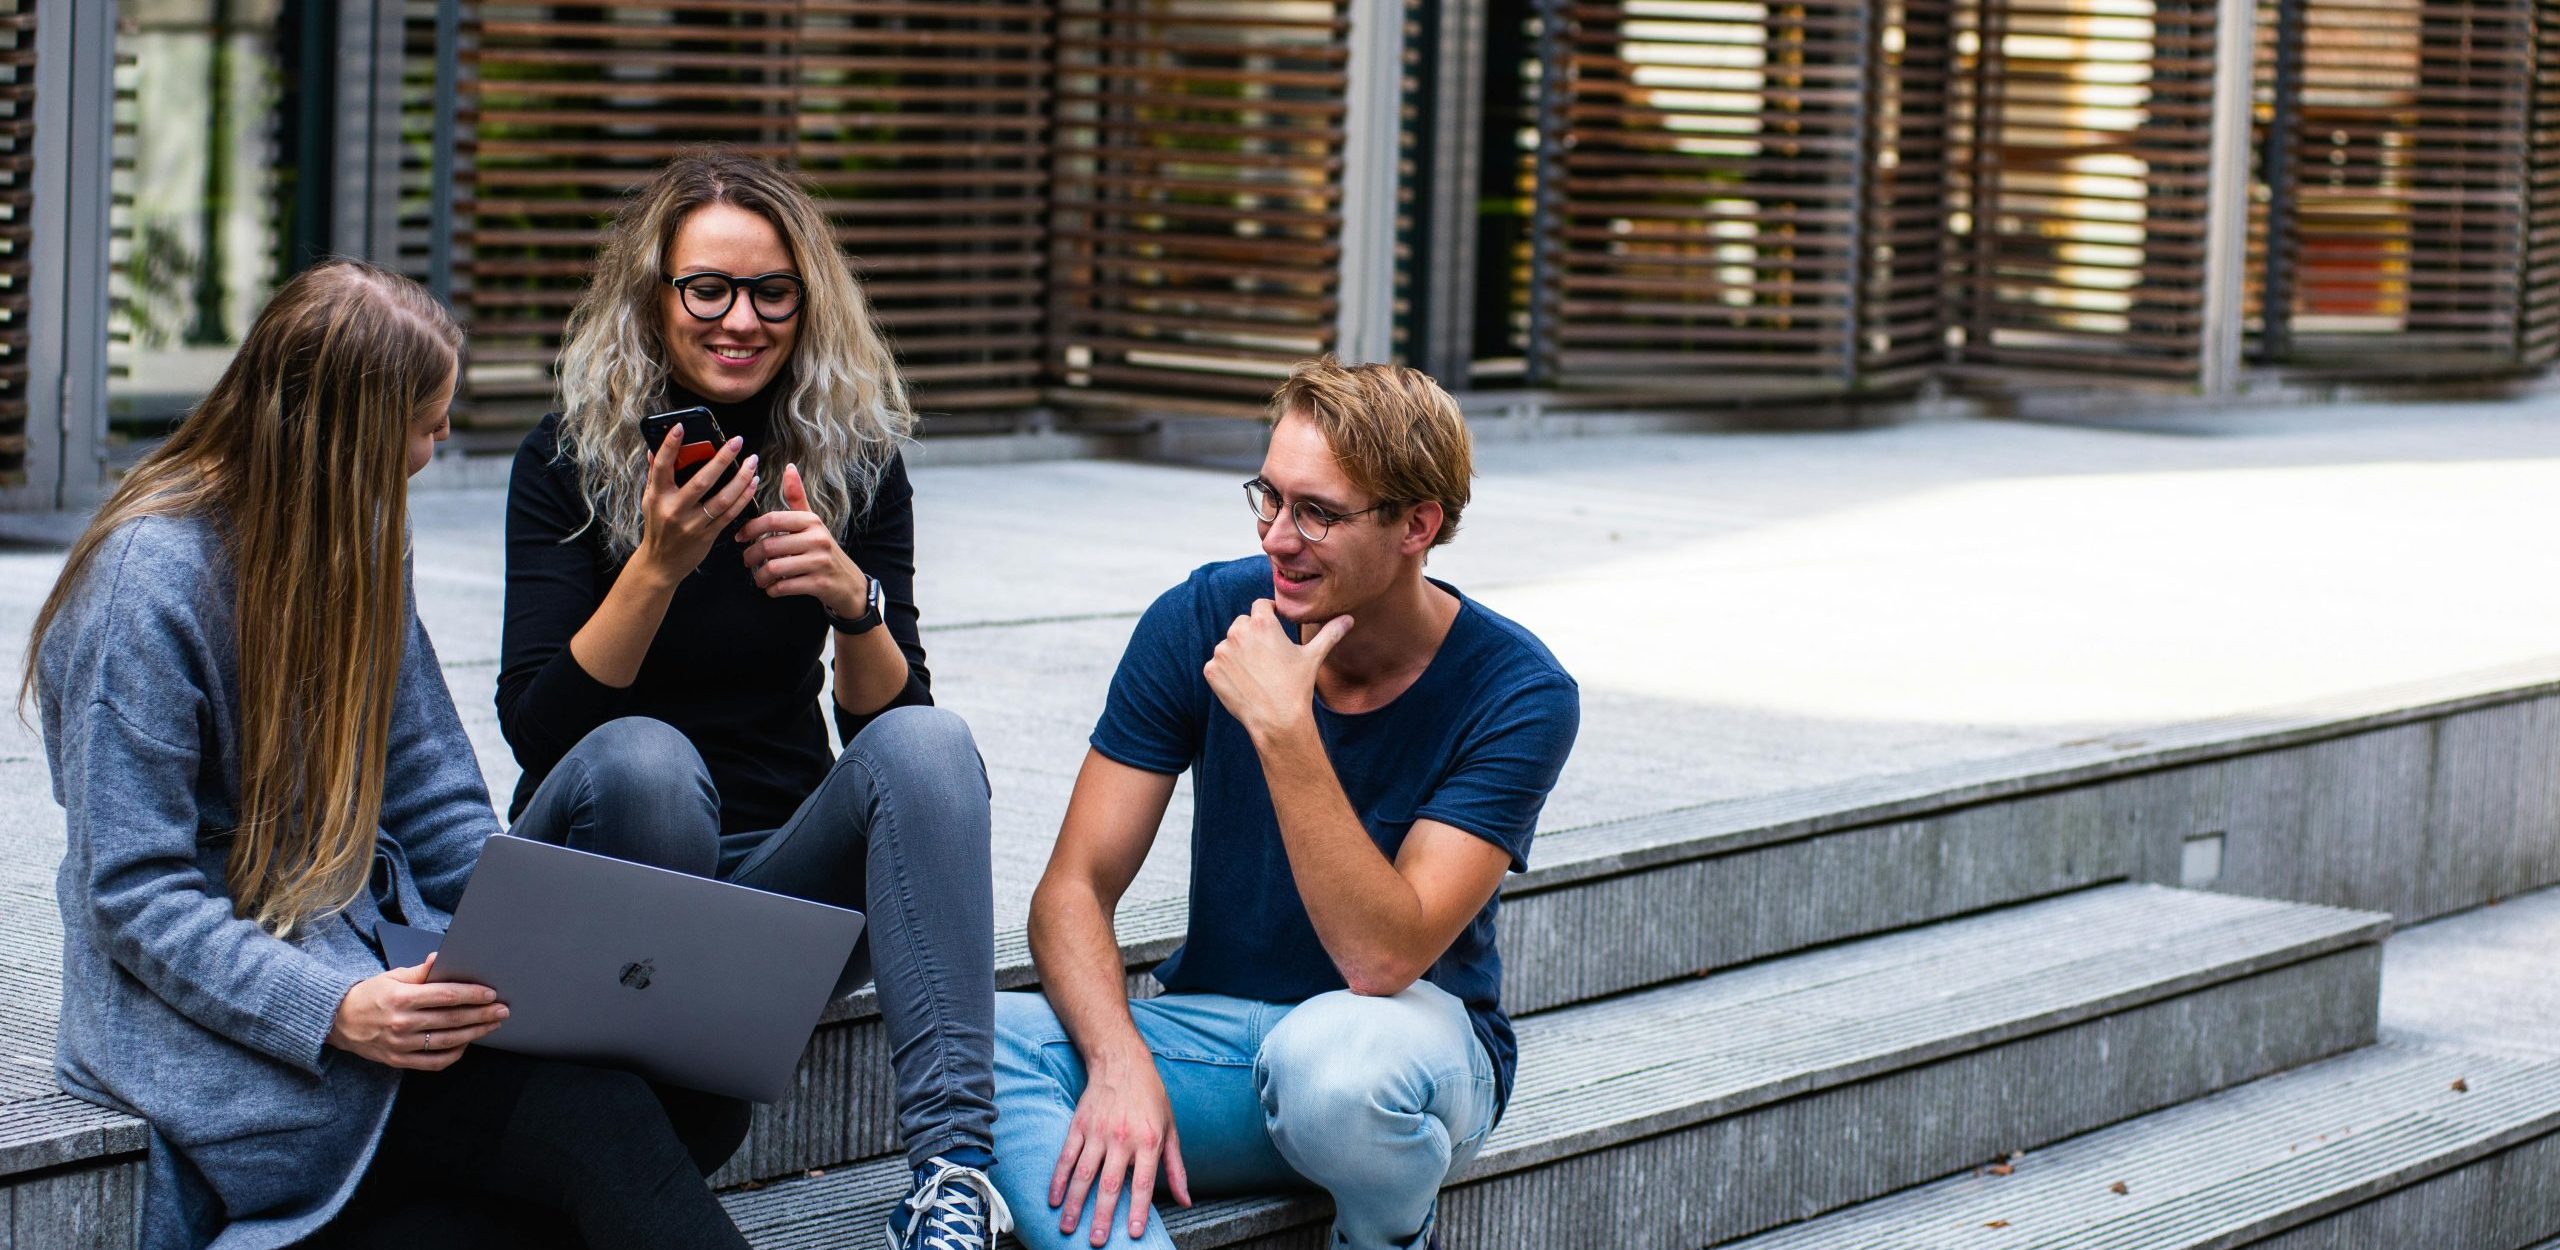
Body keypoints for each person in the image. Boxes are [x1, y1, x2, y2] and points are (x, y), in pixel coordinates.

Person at [26, 261, 751, 1250]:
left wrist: (524, 950)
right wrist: (334, 1007)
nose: (439, 444)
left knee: (697, 1101)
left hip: (368, 953)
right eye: (426, 421)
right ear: (348, 434)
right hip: (227, 1015)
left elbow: (432, 787)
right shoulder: (143, 588)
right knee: (598, 1121)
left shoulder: (359, 531)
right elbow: (135, 894)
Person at [496, 147, 1006, 1249]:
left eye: (772, 291)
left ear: (806, 300)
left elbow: (888, 733)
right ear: (656, 298)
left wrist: (852, 603)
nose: (741, 319)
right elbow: (535, 729)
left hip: (772, 881)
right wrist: (657, 564)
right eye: (708, 289)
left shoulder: (851, 462)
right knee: (646, 760)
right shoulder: (568, 462)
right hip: (607, 865)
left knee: (932, 743)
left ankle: (952, 1178)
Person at [987, 359, 1581, 1249]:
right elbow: (1071, 890)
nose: (1277, 538)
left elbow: (1382, 959)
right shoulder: (1203, 615)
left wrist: (1285, 730)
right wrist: (1116, 1063)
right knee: (983, 1039)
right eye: (1268, 497)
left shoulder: (1518, 691)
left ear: (1417, 525)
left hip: (1402, 1055)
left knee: (1333, 1066)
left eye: (1319, 513)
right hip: (1221, 1040)